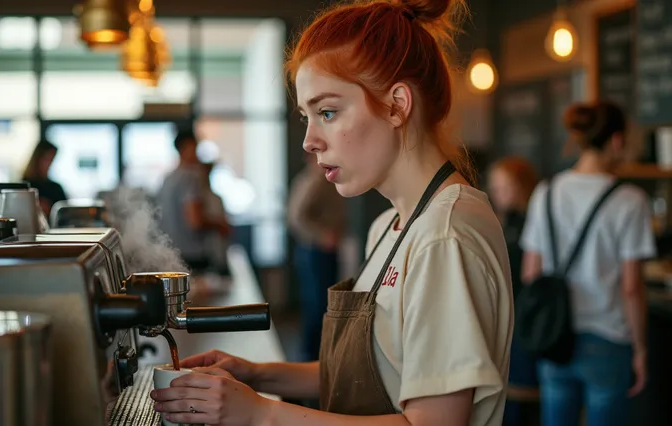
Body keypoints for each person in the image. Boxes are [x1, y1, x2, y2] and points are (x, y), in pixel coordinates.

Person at [150, 0, 514, 425]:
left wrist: (259, 414)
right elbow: (384, 371)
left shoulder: (443, 235)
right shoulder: (391, 224)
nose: (309, 141)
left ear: (397, 105)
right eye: (307, 116)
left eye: (327, 112)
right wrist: (257, 374)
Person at [519, 101, 656, 426]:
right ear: (617, 140)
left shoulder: (546, 191)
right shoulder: (630, 200)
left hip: (555, 336)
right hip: (608, 338)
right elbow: (632, 287)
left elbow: (531, 273)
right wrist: (641, 349)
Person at [487, 157, 540, 426]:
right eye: (494, 187)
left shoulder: (534, 223)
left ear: (522, 186)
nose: (497, 193)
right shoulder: (500, 222)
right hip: (505, 317)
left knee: (523, 398)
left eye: (504, 186)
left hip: (527, 319)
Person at [288, 151, 347, 362]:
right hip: (316, 250)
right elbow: (297, 217)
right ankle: (314, 359)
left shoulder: (309, 179)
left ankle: (313, 358)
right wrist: (324, 236)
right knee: (319, 305)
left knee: (316, 303)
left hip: (313, 249)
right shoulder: (316, 180)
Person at [156, 129, 230, 273]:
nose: (197, 154)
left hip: (171, 254)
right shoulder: (191, 177)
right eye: (195, 148)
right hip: (193, 256)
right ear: (186, 148)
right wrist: (220, 224)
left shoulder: (167, 179)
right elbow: (195, 221)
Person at [22, 140, 67, 217]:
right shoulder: (23, 187)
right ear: (37, 159)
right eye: (47, 159)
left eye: (52, 160)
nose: (50, 164)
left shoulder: (55, 188)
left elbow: (65, 214)